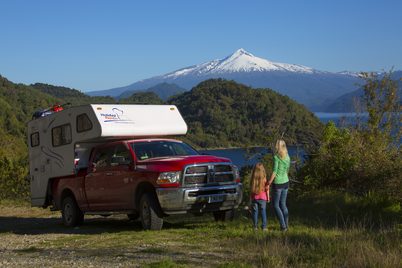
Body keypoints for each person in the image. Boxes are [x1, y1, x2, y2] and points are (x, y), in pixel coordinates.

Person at [268, 139, 290, 231]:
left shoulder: (277, 157)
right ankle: (286, 225)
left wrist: (269, 182)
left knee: (276, 205)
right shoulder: (287, 156)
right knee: (283, 205)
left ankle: (283, 226)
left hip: (278, 183)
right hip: (286, 182)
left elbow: (274, 171)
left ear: (278, 147)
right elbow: (287, 169)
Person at [249, 162, 270, 231]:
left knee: (255, 212)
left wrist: (251, 198)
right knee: (263, 212)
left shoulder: (253, 180)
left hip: (255, 198)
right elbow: (267, 189)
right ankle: (264, 227)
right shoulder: (264, 179)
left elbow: (251, 190)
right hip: (263, 198)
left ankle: (255, 227)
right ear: (262, 170)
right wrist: (268, 197)